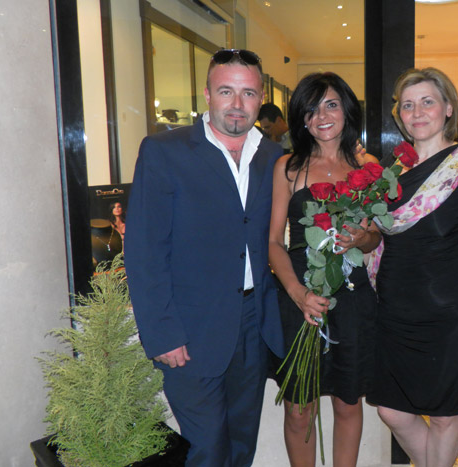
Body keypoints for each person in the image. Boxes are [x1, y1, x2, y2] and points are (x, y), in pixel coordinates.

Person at [124, 49, 284, 467]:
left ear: (261, 98)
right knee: (208, 448)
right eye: (226, 91)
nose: (237, 103)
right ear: (208, 95)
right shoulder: (164, 151)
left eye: (248, 93)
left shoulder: (273, 157)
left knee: (242, 443)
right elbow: (144, 250)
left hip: (252, 324)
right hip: (190, 328)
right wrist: (162, 332)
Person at [365, 67, 458, 467]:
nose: (417, 112)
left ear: (448, 108)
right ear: (399, 115)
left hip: (448, 310)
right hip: (393, 307)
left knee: (443, 414)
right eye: (408, 105)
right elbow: (375, 235)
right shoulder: (389, 172)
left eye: (427, 102)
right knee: (391, 410)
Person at [269, 72, 380, 467]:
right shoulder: (289, 167)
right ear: (302, 119)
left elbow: (374, 238)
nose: (322, 116)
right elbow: (274, 243)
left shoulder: (368, 167)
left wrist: (361, 238)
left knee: (348, 402)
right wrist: (299, 295)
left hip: (352, 297)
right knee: (300, 408)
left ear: (346, 109)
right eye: (311, 109)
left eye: (331, 105)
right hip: (300, 298)